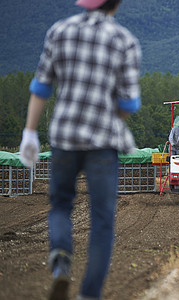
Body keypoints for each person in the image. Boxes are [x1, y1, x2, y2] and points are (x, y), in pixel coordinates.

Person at [18, 0, 141, 299]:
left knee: (61, 205)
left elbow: (42, 87)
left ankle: (60, 259)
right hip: (103, 143)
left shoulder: (59, 31)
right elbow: (128, 104)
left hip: (64, 137)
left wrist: (29, 132)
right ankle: (89, 294)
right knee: (102, 222)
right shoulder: (125, 41)